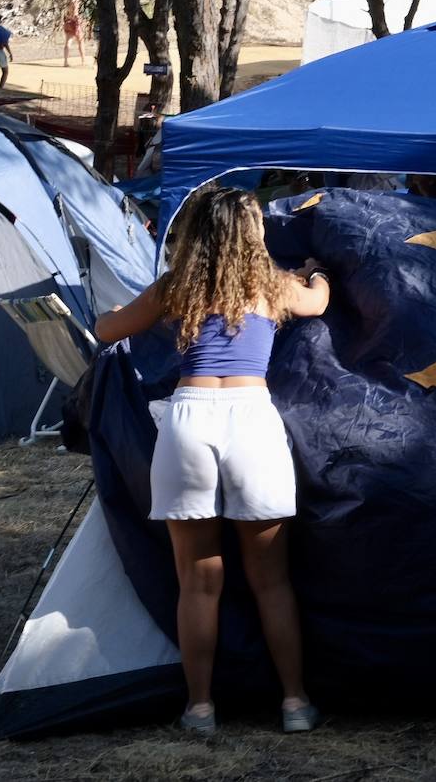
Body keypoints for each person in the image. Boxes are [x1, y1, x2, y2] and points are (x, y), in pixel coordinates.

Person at [94, 185, 330, 736]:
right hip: (252, 421)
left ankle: (200, 708)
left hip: (189, 421)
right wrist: (317, 274)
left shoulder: (177, 287)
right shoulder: (273, 286)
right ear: (255, 235)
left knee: (198, 583)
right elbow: (317, 302)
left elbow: (107, 330)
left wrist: (115, 309)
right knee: (271, 580)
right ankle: (294, 703)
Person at [62, 0, 85, 67]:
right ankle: (83, 60)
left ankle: (65, 61)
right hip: (74, 23)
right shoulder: (75, 3)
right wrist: (77, 20)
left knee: (68, 42)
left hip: (68, 22)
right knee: (80, 41)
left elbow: (65, 14)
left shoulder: (68, 3)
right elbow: (75, 13)